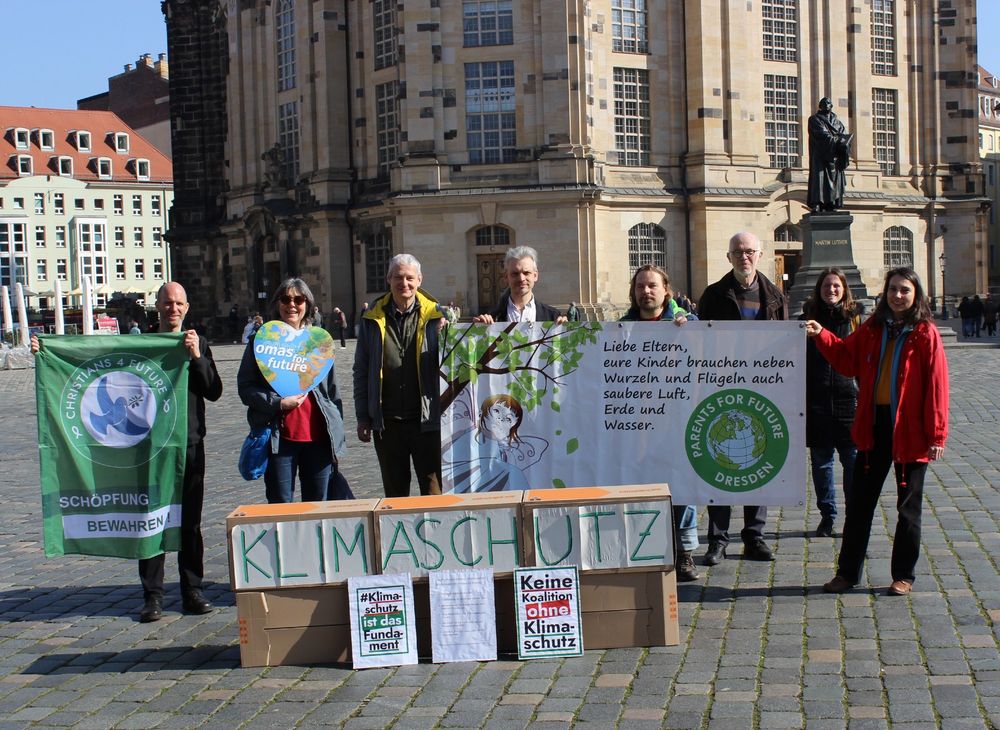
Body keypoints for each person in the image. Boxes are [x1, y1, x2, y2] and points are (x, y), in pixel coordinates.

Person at [806, 267, 948, 596]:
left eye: (904, 291)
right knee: (860, 505)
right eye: (893, 290)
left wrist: (936, 435)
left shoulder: (926, 333)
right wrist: (821, 335)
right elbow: (846, 359)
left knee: (907, 509)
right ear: (885, 293)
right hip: (873, 427)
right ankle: (847, 573)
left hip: (910, 431)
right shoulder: (873, 327)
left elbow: (937, 387)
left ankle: (903, 575)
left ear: (916, 296)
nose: (897, 296)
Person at [697, 232, 786, 564]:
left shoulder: (775, 296)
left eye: (749, 251)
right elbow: (700, 340)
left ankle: (754, 536)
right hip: (721, 387)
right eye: (737, 252)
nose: (744, 257)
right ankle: (717, 539)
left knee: (758, 461)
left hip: (761, 389)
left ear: (760, 255)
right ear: (729, 256)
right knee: (718, 461)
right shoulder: (714, 294)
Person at [619, 264, 700, 582]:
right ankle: (647, 547)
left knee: (682, 484)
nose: (645, 291)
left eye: (652, 285)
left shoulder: (687, 323)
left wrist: (690, 332)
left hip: (679, 416)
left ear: (666, 289)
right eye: (640, 286)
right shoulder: (622, 327)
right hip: (638, 419)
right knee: (642, 483)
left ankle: (685, 551)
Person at [238, 278, 348, 504]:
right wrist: (277, 403)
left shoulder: (318, 342)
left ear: (307, 304)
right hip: (280, 440)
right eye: (286, 299)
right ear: (277, 304)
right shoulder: (262, 341)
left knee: (318, 507)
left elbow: (332, 393)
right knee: (280, 505)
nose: (292, 305)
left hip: (318, 438)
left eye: (299, 299)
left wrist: (336, 438)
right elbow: (245, 388)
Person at [354, 254, 446, 497]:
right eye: (398, 277)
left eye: (409, 278)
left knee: (433, 490)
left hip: (427, 421)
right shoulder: (371, 318)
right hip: (387, 423)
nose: (403, 283)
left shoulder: (438, 316)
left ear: (419, 280)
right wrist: (364, 416)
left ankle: (433, 534)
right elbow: (361, 370)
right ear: (388, 279)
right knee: (395, 494)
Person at [801, 268, 861, 538]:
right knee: (822, 463)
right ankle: (828, 515)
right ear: (819, 289)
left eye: (836, 285)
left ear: (844, 289)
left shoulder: (856, 320)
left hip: (849, 399)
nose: (832, 290)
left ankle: (853, 515)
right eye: (827, 285)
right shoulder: (805, 320)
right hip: (817, 400)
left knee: (852, 461)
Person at [473, 246, 567, 323]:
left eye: (526, 273)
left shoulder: (552, 316)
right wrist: (476, 332)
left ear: (535, 276)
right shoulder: (491, 318)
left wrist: (566, 332)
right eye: (515, 274)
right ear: (506, 277)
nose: (521, 279)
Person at [807, 97, 853, 212]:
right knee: (820, 179)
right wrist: (838, 141)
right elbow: (821, 135)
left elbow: (842, 134)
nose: (827, 105)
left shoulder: (837, 122)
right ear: (820, 106)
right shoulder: (814, 119)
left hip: (834, 158)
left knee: (834, 180)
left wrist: (845, 144)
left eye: (829, 103)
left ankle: (832, 203)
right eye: (824, 103)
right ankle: (817, 203)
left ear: (831, 106)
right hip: (821, 156)